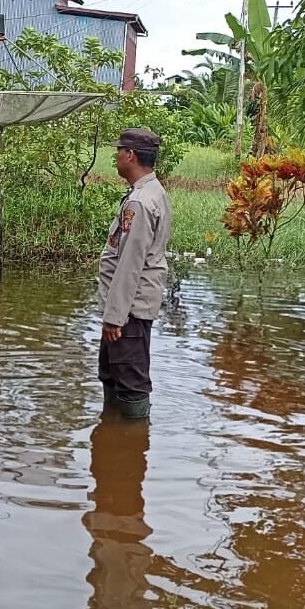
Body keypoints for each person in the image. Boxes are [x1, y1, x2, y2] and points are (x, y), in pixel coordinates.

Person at [98, 128, 173, 418]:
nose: (115, 157)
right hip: (125, 309)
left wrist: (114, 317)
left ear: (130, 155)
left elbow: (130, 264)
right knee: (111, 375)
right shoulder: (150, 192)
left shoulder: (140, 202)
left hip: (128, 312)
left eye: (118, 151)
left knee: (130, 383)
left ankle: (131, 446)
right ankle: (110, 441)